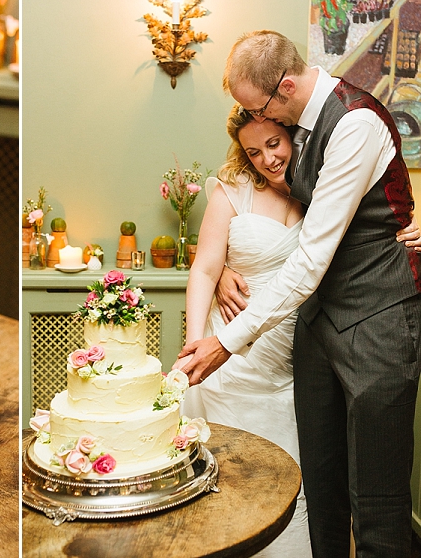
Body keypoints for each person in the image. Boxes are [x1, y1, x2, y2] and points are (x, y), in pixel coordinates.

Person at [175, 30, 421, 557]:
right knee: (322, 490)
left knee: (375, 501)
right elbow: (256, 225)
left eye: (258, 107)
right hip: (314, 329)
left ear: (284, 87)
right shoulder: (299, 127)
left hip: (375, 322)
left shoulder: (354, 122)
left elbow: (311, 255)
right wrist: (220, 270)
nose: (260, 126)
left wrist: (226, 341)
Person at [182, 105, 310, 556]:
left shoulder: (322, 187)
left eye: (274, 144)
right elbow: (203, 269)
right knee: (227, 482)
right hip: (230, 362)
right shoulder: (233, 190)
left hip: (295, 359)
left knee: (286, 483)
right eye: (253, 152)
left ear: (292, 132)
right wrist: (195, 342)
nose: (267, 160)